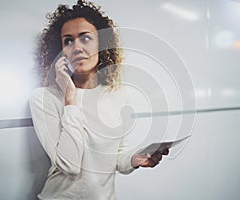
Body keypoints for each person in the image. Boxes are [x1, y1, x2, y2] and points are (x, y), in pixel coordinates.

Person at [29, 0, 169, 199]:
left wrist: (135, 160)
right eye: (68, 41)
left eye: (85, 38)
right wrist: (70, 97)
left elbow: (116, 157)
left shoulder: (118, 94)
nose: (76, 47)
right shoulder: (44, 98)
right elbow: (70, 165)